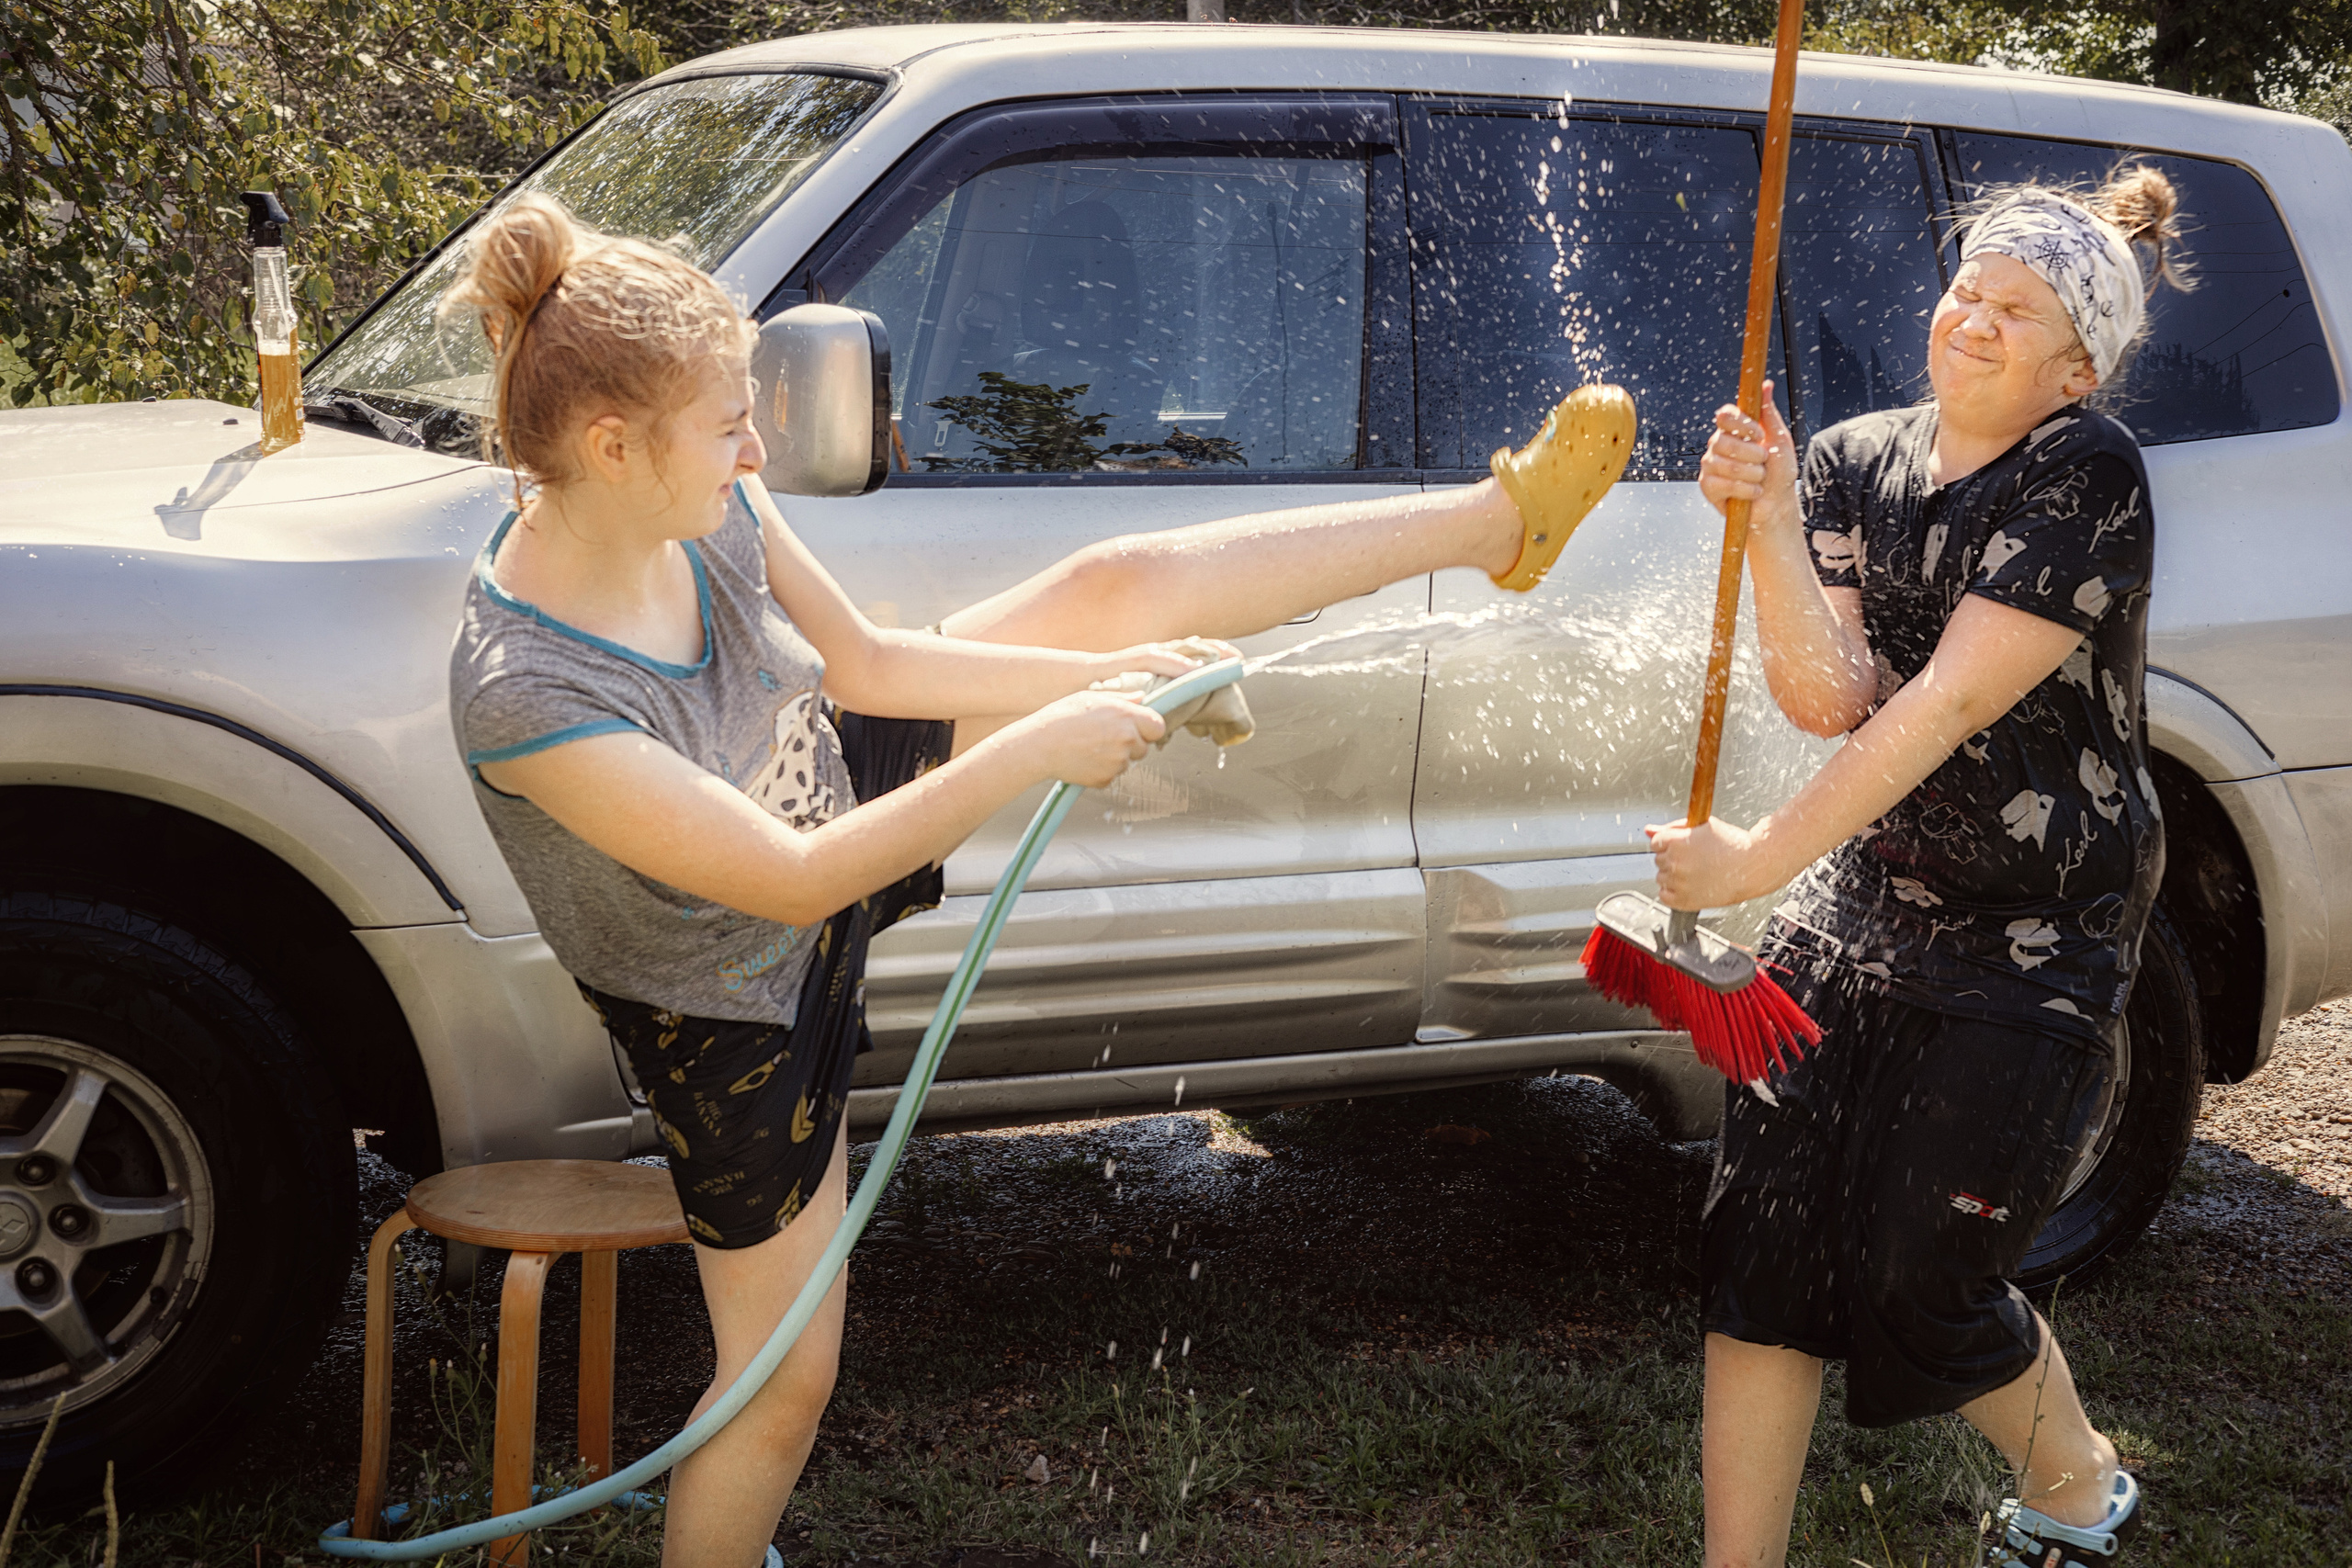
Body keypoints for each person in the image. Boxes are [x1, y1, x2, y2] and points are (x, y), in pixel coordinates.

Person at [440, 192, 1627, 1568]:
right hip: (733, 1006)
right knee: (778, 1388)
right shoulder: (525, 690)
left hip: (820, 773)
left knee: (1118, 584)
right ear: (611, 446)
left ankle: (1497, 524)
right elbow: (791, 882)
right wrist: (1045, 744)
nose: (757, 448)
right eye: (730, 426)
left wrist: (1101, 677)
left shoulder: (692, 486)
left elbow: (872, 669)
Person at [1660, 166, 2186, 1568]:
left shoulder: (2086, 476)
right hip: (1862, 906)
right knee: (1759, 1257)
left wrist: (1754, 856)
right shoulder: (1851, 455)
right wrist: (1769, 517)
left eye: (2015, 311)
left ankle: (2079, 1489)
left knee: (1924, 1279)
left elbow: (1946, 703)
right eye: (1967, 289)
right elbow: (1830, 694)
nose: (1974, 318)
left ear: (2077, 365)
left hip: (2036, 928)